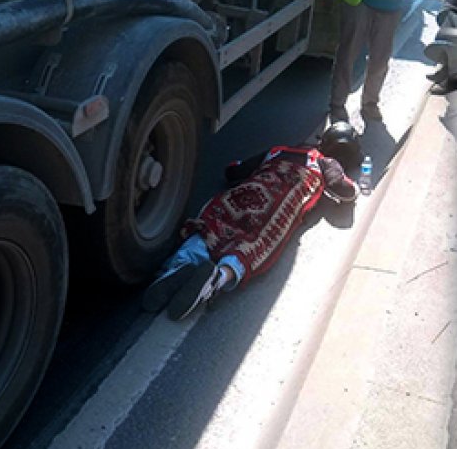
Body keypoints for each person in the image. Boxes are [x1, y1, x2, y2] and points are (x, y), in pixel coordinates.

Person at [144, 123, 361, 320]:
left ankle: (179, 267)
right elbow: (345, 191)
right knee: (255, 244)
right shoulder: (325, 162)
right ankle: (218, 277)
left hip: (245, 194)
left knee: (211, 227)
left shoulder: (279, 151)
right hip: (277, 207)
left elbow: (234, 170)